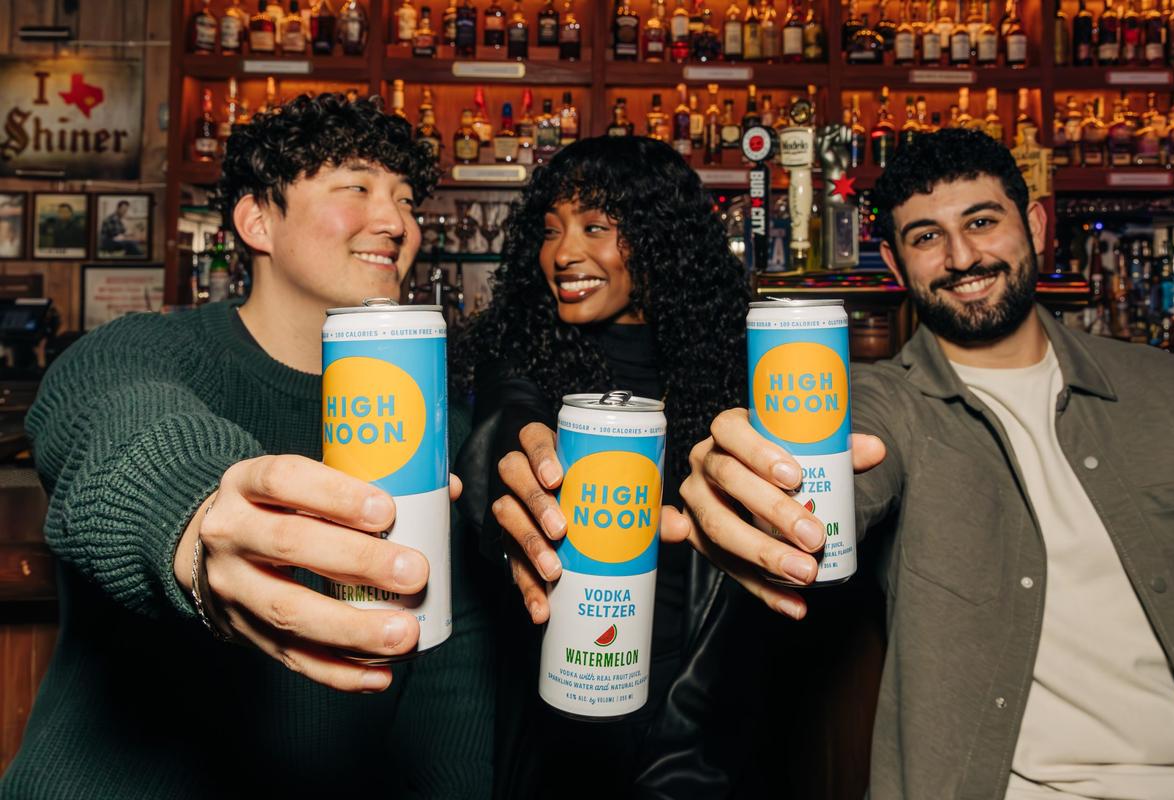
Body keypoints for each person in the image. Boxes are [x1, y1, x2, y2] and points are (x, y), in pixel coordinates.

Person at [662, 128, 1174, 798]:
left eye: (981, 221)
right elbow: (838, 466)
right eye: (926, 237)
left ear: (1034, 223)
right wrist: (753, 494)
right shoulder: (885, 404)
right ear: (894, 262)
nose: (962, 256)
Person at [2, 94, 493, 798]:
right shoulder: (141, 351)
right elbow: (119, 420)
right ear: (257, 220)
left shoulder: (438, 421)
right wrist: (201, 521)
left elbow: (450, 690)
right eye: (356, 186)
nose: (397, 223)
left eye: (407, 200)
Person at [454, 136, 768, 797]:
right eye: (550, 230)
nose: (563, 253)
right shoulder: (526, 359)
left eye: (594, 227)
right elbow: (503, 436)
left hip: (699, 721)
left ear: (658, 240)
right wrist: (519, 473)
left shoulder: (731, 369)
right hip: (565, 716)